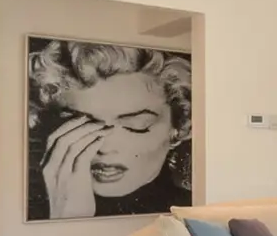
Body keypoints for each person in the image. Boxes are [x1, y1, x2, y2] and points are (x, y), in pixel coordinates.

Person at [27, 39, 192, 219]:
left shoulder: (192, 213)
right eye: (79, 124)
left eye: (135, 125)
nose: (104, 147)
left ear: (181, 128)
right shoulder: (24, 208)